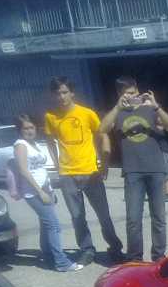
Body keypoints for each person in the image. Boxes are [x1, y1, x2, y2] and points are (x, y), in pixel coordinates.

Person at [44, 76, 124, 265]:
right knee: (77, 216)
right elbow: (49, 142)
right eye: (57, 93)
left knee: (103, 214)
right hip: (67, 174)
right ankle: (87, 249)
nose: (61, 97)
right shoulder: (51, 117)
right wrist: (57, 165)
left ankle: (115, 247)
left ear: (72, 93)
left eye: (64, 92)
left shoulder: (87, 113)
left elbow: (102, 134)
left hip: (90, 172)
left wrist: (104, 162)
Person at [100, 77, 168, 262]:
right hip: (132, 171)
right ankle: (135, 258)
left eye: (133, 92)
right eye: (126, 93)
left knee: (159, 217)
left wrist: (156, 106)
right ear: (120, 94)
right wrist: (117, 107)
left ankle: (158, 256)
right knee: (133, 219)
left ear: (138, 91)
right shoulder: (118, 112)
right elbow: (101, 128)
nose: (131, 96)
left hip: (156, 169)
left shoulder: (149, 108)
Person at [11, 114, 82, 272]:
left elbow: (40, 170)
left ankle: (48, 256)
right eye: (25, 128)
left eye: (32, 127)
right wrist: (40, 191)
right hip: (33, 192)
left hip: (45, 190)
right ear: (20, 130)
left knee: (46, 224)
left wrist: (49, 191)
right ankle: (61, 262)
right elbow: (23, 170)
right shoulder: (20, 145)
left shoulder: (33, 144)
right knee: (54, 225)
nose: (30, 130)